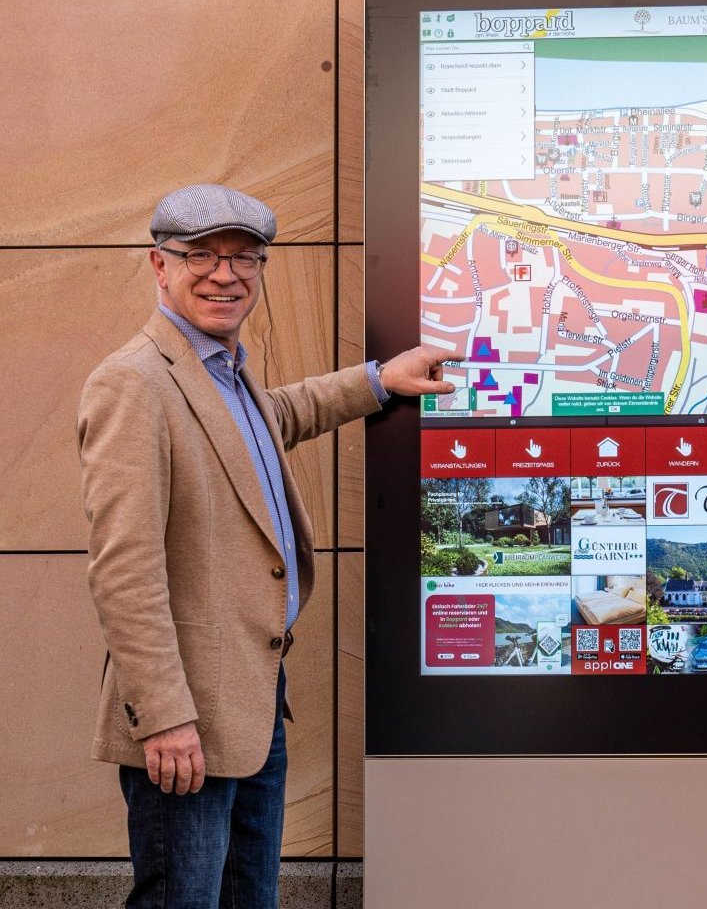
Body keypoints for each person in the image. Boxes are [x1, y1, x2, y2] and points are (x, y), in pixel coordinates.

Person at [78, 183, 453, 908]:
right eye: (203, 257)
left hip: (251, 704)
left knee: (250, 898)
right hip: (185, 720)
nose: (227, 275)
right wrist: (164, 716)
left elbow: (274, 417)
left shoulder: (220, 369)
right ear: (160, 267)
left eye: (245, 258)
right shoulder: (133, 384)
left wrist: (379, 380)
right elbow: (125, 570)